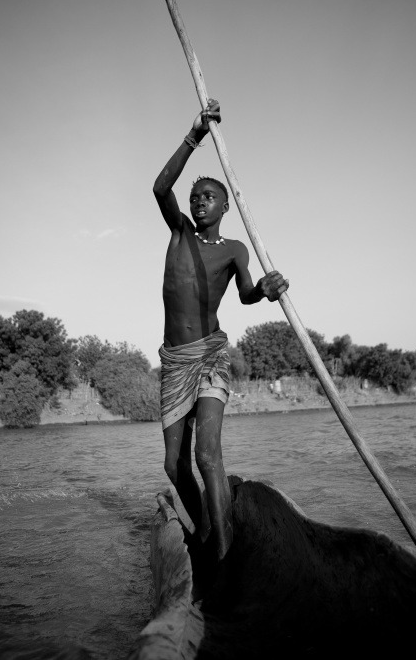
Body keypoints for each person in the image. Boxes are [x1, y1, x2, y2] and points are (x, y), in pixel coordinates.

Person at [154, 99, 289, 562]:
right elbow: (160, 186)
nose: (198, 202)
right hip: (175, 360)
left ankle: (225, 557)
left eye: (208, 197)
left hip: (211, 356)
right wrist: (195, 135)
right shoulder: (180, 233)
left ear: (225, 205)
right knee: (174, 465)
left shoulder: (234, 249)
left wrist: (268, 290)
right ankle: (209, 525)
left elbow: (247, 295)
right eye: (195, 198)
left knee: (206, 456)